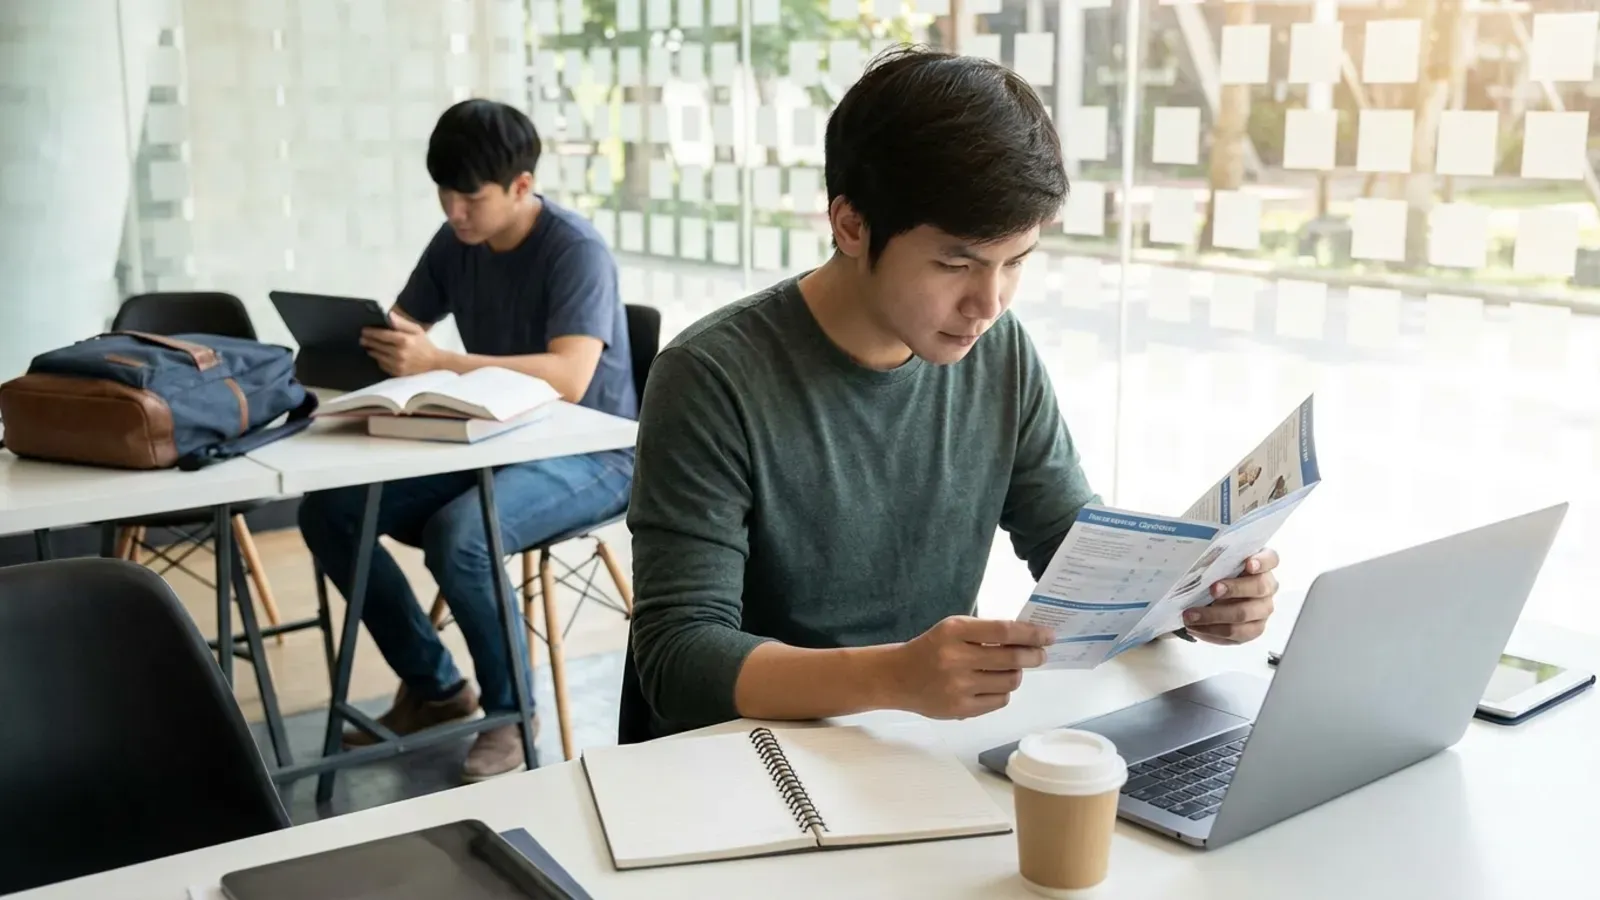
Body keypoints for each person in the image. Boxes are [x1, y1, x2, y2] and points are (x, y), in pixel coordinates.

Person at [625, 48, 1281, 740]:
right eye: (955, 262)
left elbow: (1071, 548)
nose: (988, 303)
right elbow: (679, 657)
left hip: (916, 750)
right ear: (851, 225)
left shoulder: (998, 350)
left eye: (1014, 263)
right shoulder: (711, 377)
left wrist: (1193, 600)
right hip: (745, 765)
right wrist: (893, 678)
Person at [298, 99, 636, 780]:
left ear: (521, 186)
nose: (454, 211)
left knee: (465, 536)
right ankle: (439, 689)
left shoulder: (576, 251)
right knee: (330, 511)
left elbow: (570, 377)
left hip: (592, 453)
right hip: (490, 440)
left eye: (469, 196)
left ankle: (514, 714)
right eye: (444, 194)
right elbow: (403, 328)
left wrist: (439, 363)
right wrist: (366, 352)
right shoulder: (458, 241)